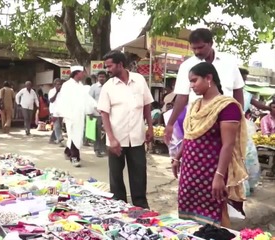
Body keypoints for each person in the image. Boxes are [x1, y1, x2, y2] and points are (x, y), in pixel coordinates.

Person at [171, 62, 248, 227]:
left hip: (212, 172)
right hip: (190, 171)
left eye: (194, 80)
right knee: (187, 213)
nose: (191, 86)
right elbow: (190, 136)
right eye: (190, 82)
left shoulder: (227, 107)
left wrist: (219, 176)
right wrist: (178, 157)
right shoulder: (195, 106)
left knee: (216, 213)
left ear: (208, 78)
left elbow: (228, 145)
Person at [164, 28, 244, 144]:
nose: (197, 51)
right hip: (197, 122)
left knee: (228, 152)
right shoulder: (187, 66)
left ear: (211, 43)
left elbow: (238, 91)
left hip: (226, 120)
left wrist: (239, 117)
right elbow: (182, 97)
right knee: (199, 155)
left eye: (200, 47)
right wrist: (170, 124)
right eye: (194, 48)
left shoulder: (229, 62)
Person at [98, 50, 153, 208]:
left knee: (139, 175)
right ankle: (119, 208)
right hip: (116, 140)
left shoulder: (139, 80)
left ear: (120, 64)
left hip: (137, 137)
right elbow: (104, 114)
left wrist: (150, 127)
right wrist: (112, 139)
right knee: (116, 177)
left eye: (110, 66)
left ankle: (141, 207)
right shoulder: (108, 87)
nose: (107, 70)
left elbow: (147, 105)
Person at [57, 65, 96, 167]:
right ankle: (74, 157)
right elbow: (63, 100)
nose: (83, 74)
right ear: (77, 73)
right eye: (82, 72)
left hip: (79, 115)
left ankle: (67, 151)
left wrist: (95, 106)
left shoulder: (80, 86)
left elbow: (86, 99)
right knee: (74, 135)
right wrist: (63, 114)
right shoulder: (67, 85)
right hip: (71, 115)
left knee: (76, 136)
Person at [89, 71, 107, 157]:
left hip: (107, 113)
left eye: (103, 77)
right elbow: (89, 100)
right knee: (97, 133)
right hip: (97, 113)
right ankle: (97, 149)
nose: (101, 78)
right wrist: (90, 112)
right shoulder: (94, 87)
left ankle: (104, 149)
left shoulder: (108, 87)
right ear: (97, 78)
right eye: (100, 76)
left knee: (106, 132)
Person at [48, 78, 64, 145]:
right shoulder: (51, 91)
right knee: (57, 126)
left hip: (60, 111)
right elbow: (51, 100)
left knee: (58, 126)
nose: (59, 86)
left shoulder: (63, 91)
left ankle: (52, 139)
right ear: (54, 85)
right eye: (57, 84)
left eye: (60, 84)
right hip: (53, 111)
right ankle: (59, 139)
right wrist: (56, 92)